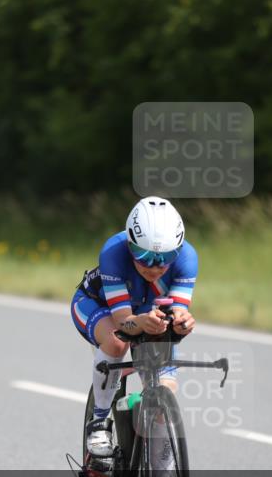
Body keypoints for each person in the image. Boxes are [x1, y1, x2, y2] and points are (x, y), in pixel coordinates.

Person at [71, 196, 197, 458]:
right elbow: (123, 322)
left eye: (165, 258)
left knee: (166, 388)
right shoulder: (113, 252)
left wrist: (183, 323)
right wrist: (142, 323)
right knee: (118, 341)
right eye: (143, 256)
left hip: (145, 312)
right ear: (130, 245)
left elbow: (178, 311)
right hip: (98, 306)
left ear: (178, 250)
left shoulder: (187, 257)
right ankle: (100, 423)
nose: (154, 267)